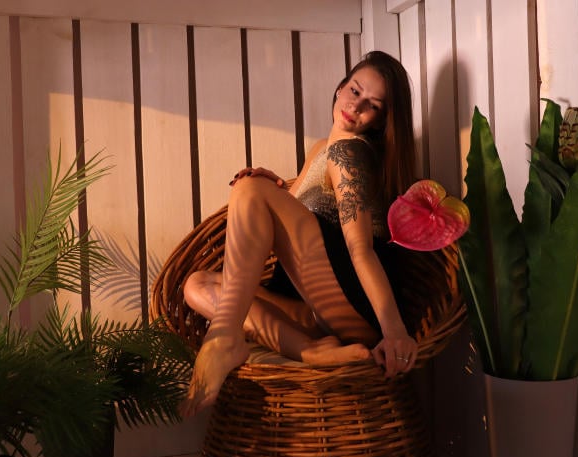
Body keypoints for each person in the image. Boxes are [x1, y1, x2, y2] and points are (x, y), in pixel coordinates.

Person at [180, 50, 419, 418]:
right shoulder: (323, 149)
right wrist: (272, 190)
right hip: (312, 308)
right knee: (197, 285)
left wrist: (394, 331)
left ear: (380, 120)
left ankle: (224, 338)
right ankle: (309, 350)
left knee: (249, 188)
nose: (356, 106)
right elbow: (284, 229)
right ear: (340, 87)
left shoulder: (349, 152)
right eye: (355, 91)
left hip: (353, 304)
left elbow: (360, 249)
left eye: (372, 105)